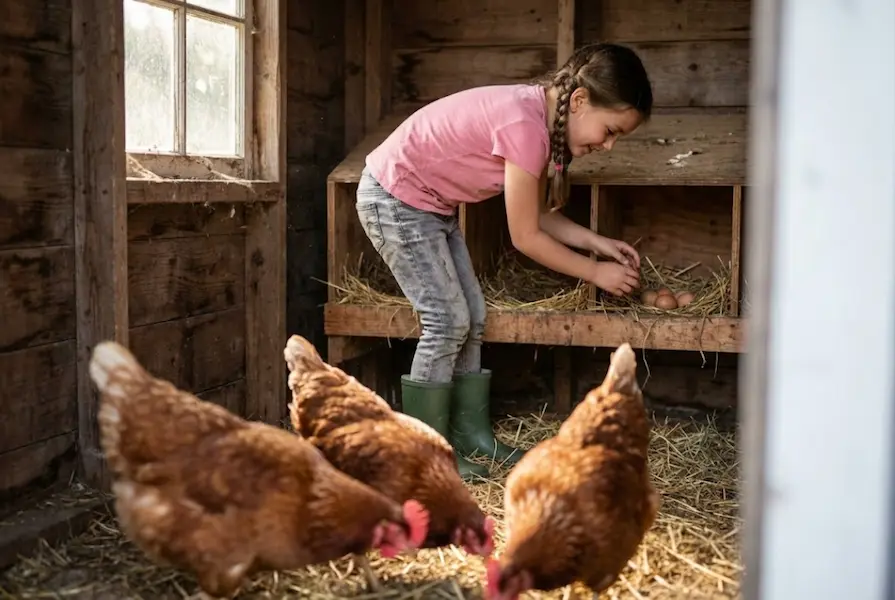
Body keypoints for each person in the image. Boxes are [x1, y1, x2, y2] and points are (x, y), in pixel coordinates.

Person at [356, 43, 653, 480]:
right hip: (395, 199)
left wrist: (597, 243)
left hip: (431, 207)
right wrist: (594, 272)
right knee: (445, 321)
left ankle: (471, 435)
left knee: (472, 316)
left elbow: (539, 213)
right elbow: (525, 237)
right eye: (610, 131)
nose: (607, 145)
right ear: (580, 101)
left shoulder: (539, 120)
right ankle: (424, 457)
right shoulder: (527, 126)